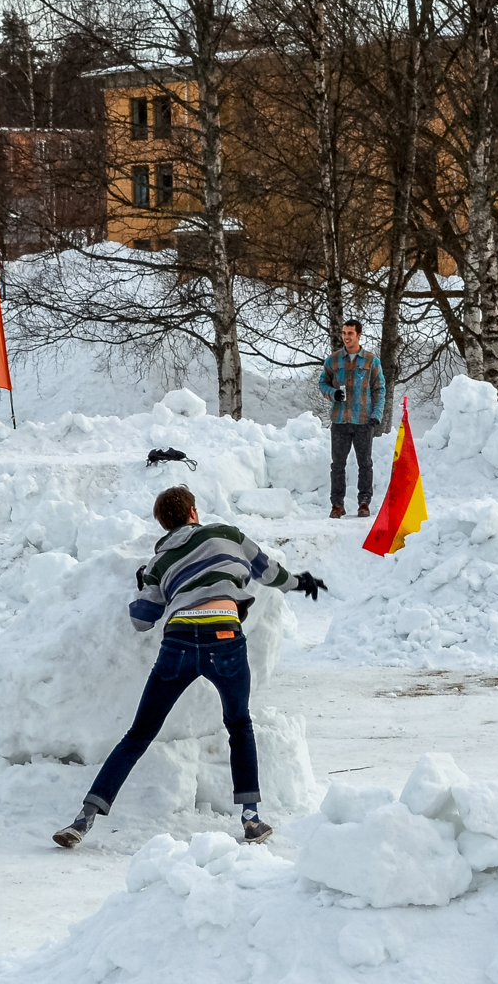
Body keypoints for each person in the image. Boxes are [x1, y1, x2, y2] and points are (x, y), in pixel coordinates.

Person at [53, 486, 326, 850]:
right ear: (194, 512)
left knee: (138, 735)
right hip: (225, 637)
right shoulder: (226, 535)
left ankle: (84, 818)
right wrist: (299, 581)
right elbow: (268, 572)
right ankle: (251, 818)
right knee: (240, 726)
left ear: (164, 525)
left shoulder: (159, 563)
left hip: (178, 644)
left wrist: (144, 585)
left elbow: (142, 620)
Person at [319, 319, 386, 520]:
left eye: (350, 333)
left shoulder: (371, 361)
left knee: (365, 463)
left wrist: (377, 414)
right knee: (337, 464)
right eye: (344, 333)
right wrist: (332, 393)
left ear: (359, 335)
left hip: (363, 421)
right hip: (339, 420)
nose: (346, 337)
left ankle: (364, 502)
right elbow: (323, 383)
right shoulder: (333, 360)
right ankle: (337, 505)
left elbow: (379, 389)